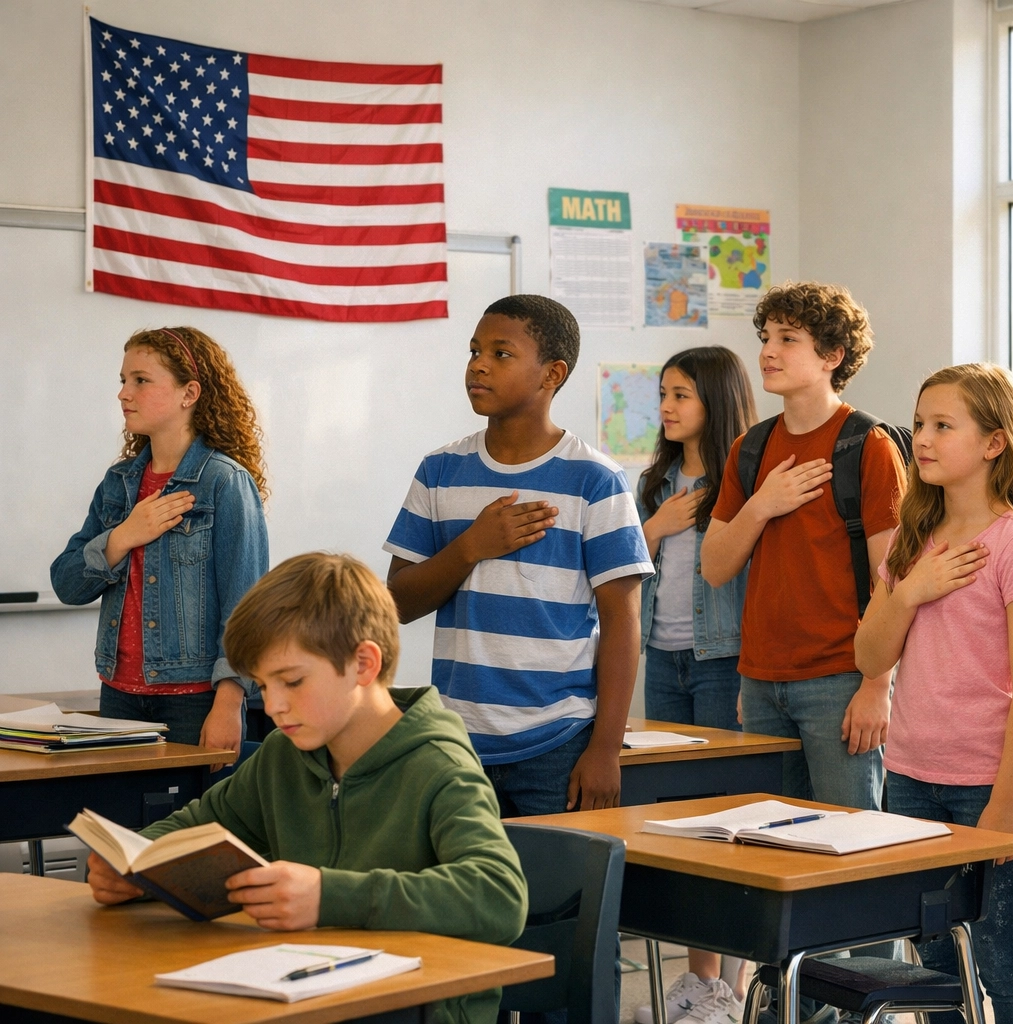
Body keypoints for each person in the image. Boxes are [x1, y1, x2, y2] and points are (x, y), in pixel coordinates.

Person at [85, 552, 529, 1024]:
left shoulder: (438, 764)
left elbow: (499, 895)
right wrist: (134, 864)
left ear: (363, 663)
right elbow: (198, 826)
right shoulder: (284, 756)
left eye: (292, 682)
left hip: (418, 1011)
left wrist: (327, 896)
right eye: (262, 686)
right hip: (303, 999)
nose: (274, 705)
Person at [385, 295, 652, 816]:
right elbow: (394, 603)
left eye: (501, 354)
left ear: (551, 374)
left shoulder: (595, 480)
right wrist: (469, 548)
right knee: (468, 891)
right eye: (474, 350)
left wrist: (604, 748)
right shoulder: (439, 470)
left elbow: (622, 621)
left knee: (556, 895)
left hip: (559, 742)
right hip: (457, 743)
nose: (478, 364)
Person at [855, 363, 1013, 1024]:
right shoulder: (916, 539)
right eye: (919, 424)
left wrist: (1003, 806)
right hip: (912, 780)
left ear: (994, 443)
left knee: (1002, 958)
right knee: (935, 962)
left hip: (989, 787)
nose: (924, 439)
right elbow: (870, 655)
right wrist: (912, 590)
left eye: (944, 425)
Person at [700, 281, 905, 812]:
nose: (767, 351)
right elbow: (715, 567)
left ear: (832, 356)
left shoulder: (869, 444)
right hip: (760, 680)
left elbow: (895, 579)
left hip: (841, 680)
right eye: (766, 336)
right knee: (767, 849)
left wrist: (877, 685)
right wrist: (763, 504)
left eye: (788, 338)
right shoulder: (751, 447)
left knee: (852, 848)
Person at [52, 326, 268, 764]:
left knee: (188, 829)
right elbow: (67, 583)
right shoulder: (119, 483)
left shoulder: (224, 482)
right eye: (123, 381)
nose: (123, 394)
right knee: (125, 830)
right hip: (118, 696)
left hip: (194, 700)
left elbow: (247, 610)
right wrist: (124, 536)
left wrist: (229, 704)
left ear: (190, 393)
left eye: (141, 380)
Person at [635, 346, 758, 1024]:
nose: (667, 407)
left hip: (723, 662)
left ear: (714, 399)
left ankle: (728, 989)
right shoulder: (655, 483)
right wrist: (653, 528)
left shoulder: (743, 478)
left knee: (728, 826)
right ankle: (698, 980)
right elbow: (626, 568)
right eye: (664, 393)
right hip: (664, 659)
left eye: (681, 394)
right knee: (683, 824)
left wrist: (750, 673)